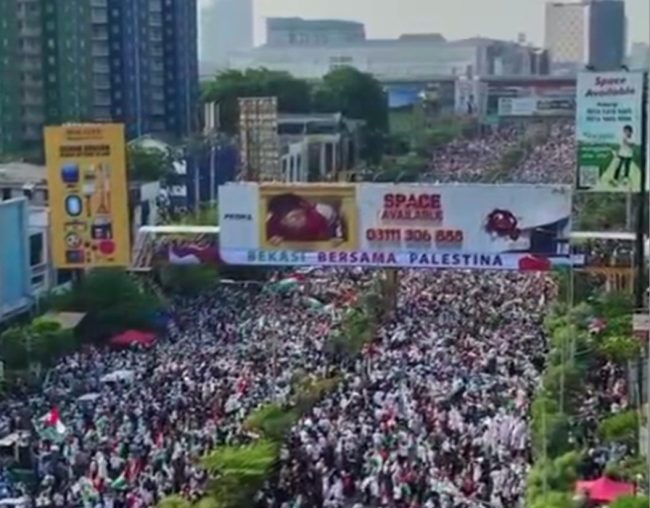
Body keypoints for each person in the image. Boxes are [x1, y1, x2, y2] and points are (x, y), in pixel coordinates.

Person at [266, 193, 346, 245]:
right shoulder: (273, 224)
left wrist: (335, 240)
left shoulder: (317, 218)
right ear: (283, 221)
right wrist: (272, 240)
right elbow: (267, 240)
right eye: (295, 217)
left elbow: (330, 238)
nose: (302, 219)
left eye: (302, 214)